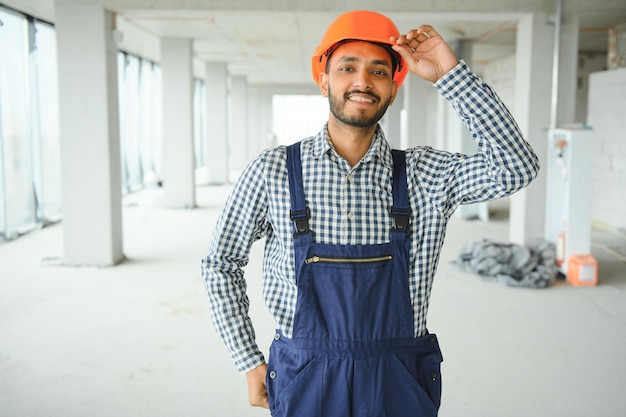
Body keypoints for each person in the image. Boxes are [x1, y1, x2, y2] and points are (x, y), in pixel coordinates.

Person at [202, 10, 539, 417]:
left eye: (379, 72)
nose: (362, 81)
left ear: (393, 89)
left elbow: (516, 166)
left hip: (400, 378)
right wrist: (247, 359)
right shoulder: (273, 171)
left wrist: (450, 75)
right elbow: (220, 262)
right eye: (347, 67)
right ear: (324, 78)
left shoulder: (423, 175)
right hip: (303, 374)